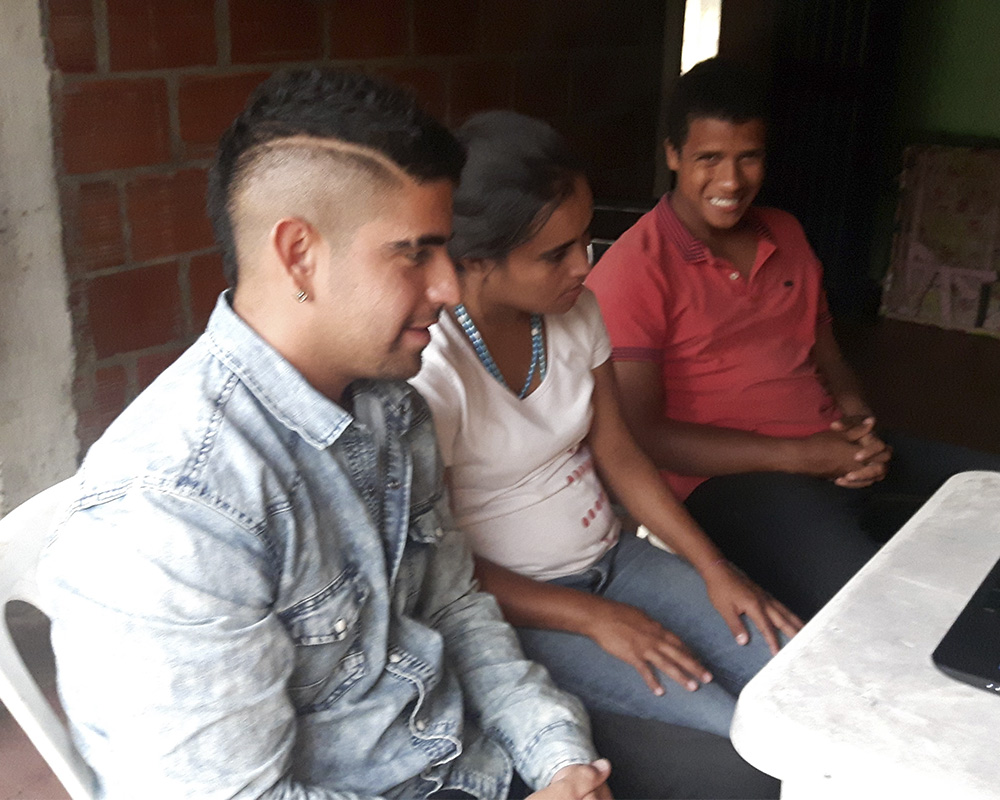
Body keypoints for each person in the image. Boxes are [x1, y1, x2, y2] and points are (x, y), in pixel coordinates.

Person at [38, 69, 613, 800]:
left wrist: (558, 758)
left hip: (468, 762)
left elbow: (454, 606)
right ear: (300, 255)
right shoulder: (172, 509)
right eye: (416, 253)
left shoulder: (392, 409)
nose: (448, 286)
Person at [410, 110, 801, 744]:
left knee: (792, 670)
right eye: (555, 254)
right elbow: (443, 567)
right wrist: (595, 617)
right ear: (478, 260)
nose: (583, 266)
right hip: (521, 606)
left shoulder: (575, 312)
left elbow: (618, 452)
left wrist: (713, 568)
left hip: (614, 557)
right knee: (730, 733)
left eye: (585, 240)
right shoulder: (434, 370)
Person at [586, 57, 1000, 620]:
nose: (731, 182)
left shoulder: (785, 232)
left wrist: (857, 421)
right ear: (673, 155)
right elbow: (645, 437)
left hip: (828, 448)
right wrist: (803, 457)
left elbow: (826, 354)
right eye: (709, 159)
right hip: (729, 483)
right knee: (876, 608)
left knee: (986, 491)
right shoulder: (635, 269)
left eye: (748, 157)